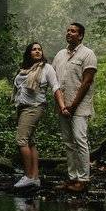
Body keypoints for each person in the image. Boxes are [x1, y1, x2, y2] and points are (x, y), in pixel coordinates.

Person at [12, 42, 66, 189]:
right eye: (34, 49)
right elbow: (19, 89)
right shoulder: (24, 69)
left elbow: (55, 87)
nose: (37, 51)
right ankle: (35, 177)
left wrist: (62, 106)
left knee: (21, 140)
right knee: (30, 141)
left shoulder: (46, 68)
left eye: (39, 49)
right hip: (22, 108)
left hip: (34, 107)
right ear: (29, 53)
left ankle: (28, 176)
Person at [52, 22, 97, 193]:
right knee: (68, 143)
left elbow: (86, 82)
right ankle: (72, 178)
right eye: (68, 30)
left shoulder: (88, 54)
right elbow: (54, 82)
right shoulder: (60, 55)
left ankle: (83, 180)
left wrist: (72, 106)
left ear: (81, 35)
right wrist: (63, 106)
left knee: (80, 141)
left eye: (73, 31)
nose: (69, 33)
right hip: (63, 106)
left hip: (80, 107)